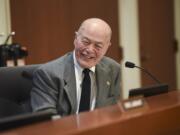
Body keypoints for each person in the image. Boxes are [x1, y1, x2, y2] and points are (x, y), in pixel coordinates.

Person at [31, 18, 121, 117]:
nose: (90, 50)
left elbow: (114, 111)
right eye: (86, 42)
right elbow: (46, 120)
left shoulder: (113, 69)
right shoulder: (48, 74)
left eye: (98, 46)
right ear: (76, 38)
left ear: (107, 47)